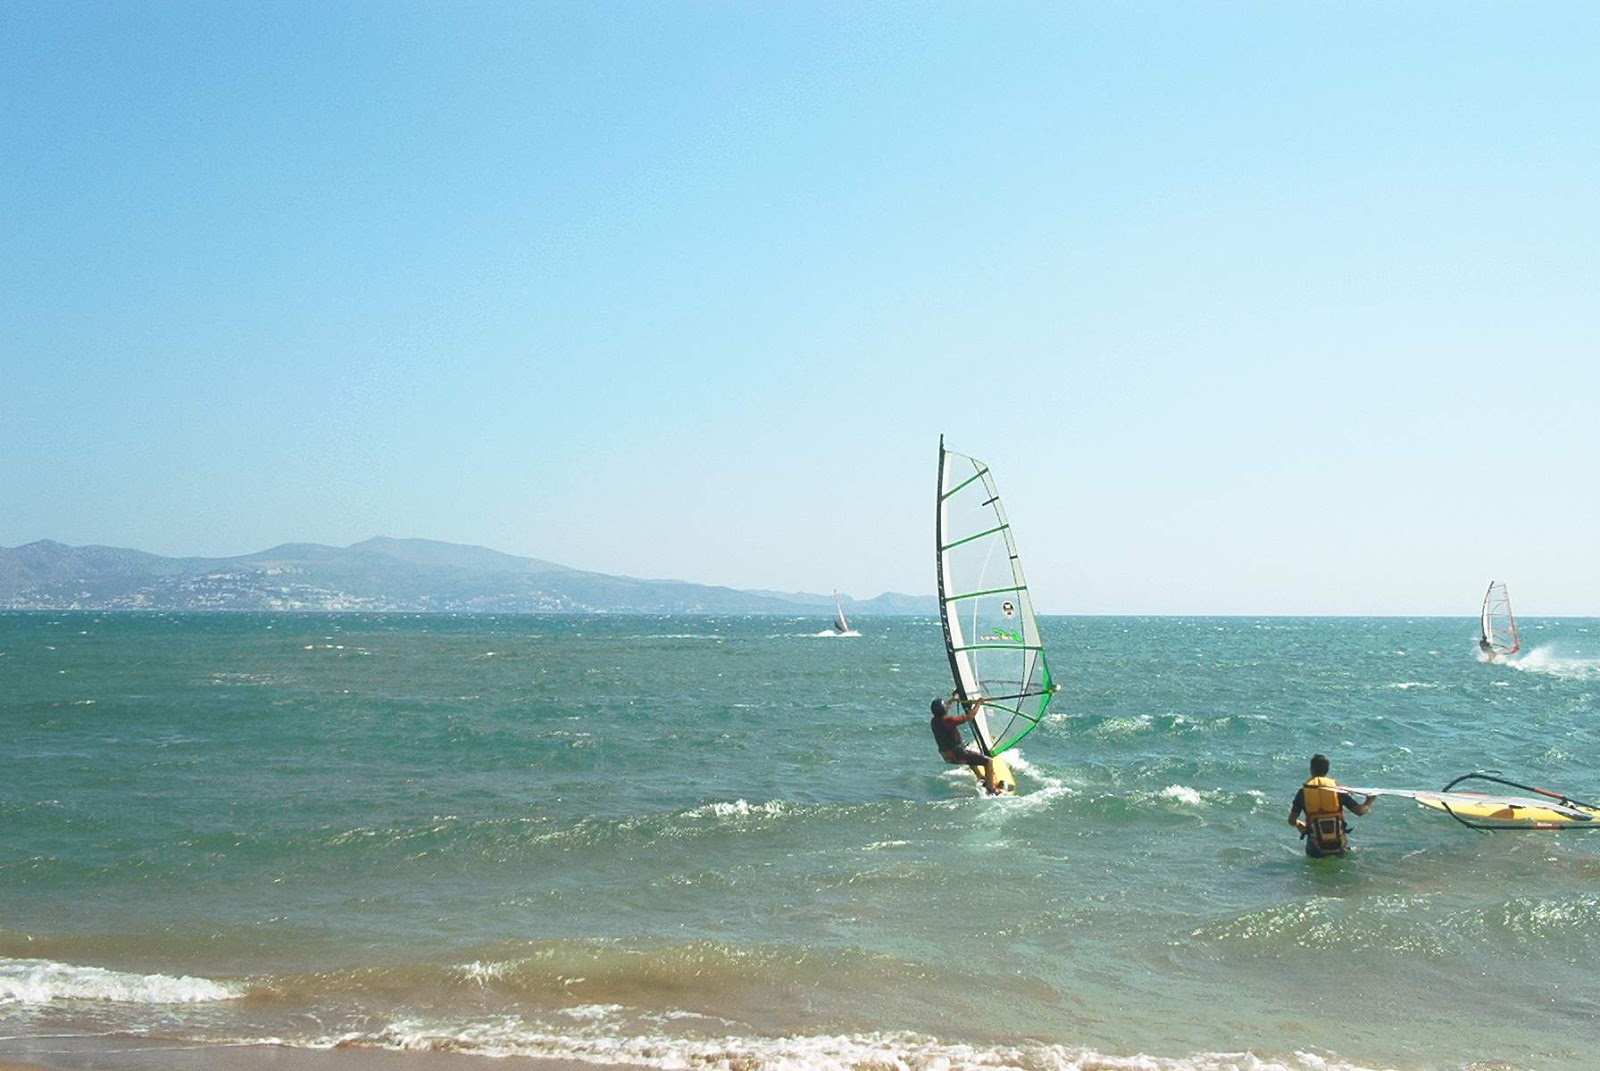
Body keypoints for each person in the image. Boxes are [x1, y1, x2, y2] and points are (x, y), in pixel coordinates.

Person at [1287, 753, 1373, 857]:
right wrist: (1369, 801)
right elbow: (1359, 811)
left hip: (1315, 847)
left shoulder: (1303, 793)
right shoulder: (1337, 791)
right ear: (1327, 770)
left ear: (1311, 769)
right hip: (1338, 845)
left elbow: (1291, 820)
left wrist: (1299, 824)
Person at [930, 691, 992, 784]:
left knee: (970, 756)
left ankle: (981, 778)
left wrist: (952, 700)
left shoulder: (934, 721)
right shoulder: (949, 720)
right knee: (988, 761)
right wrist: (979, 703)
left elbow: (944, 710)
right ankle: (991, 788)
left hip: (947, 756)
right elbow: (970, 716)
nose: (947, 706)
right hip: (957, 754)